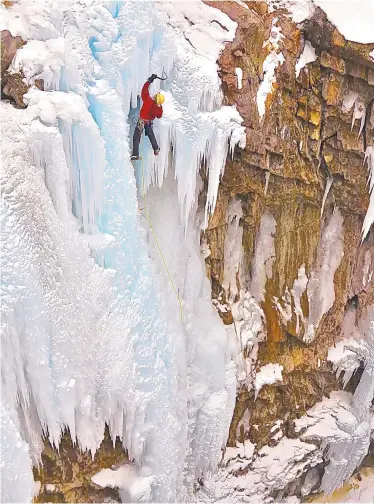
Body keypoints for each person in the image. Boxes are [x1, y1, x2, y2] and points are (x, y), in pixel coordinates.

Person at [131, 74, 165, 161]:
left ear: (155, 98)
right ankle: (156, 149)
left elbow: (144, 90)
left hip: (142, 121)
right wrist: (159, 106)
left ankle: (135, 154)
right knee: (151, 135)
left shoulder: (148, 100)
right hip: (149, 123)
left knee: (136, 137)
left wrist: (149, 81)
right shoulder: (157, 108)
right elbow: (159, 115)